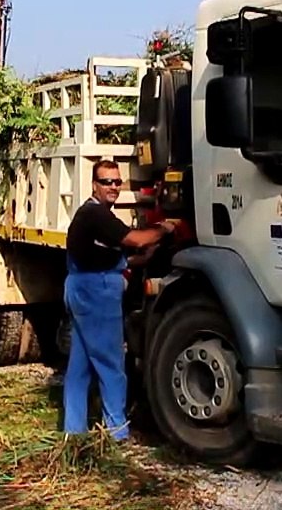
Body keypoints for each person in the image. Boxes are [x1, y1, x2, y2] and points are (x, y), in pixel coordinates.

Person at [63, 159, 177, 441]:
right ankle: (116, 432)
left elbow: (118, 253)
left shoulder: (94, 216)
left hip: (82, 288)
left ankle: (73, 432)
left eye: (117, 182)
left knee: (80, 366)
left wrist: (142, 257)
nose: (113, 187)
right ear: (94, 185)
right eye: (106, 182)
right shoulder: (96, 215)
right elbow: (136, 239)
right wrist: (165, 228)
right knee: (111, 365)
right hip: (96, 293)